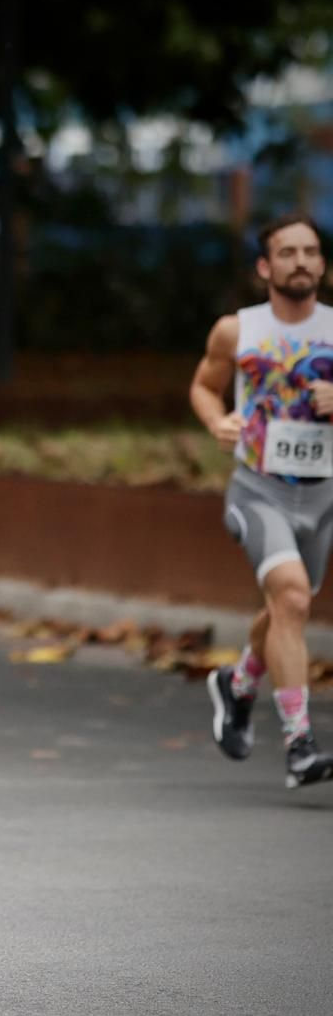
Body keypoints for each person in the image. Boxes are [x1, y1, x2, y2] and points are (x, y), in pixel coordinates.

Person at [194, 213, 333, 789]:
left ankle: (240, 683)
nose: (300, 262)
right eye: (287, 253)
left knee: (289, 610)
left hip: (323, 493)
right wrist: (216, 421)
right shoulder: (237, 330)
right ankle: (300, 743)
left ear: (322, 264)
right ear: (264, 267)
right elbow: (204, 385)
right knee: (293, 597)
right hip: (258, 489)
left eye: (310, 252)